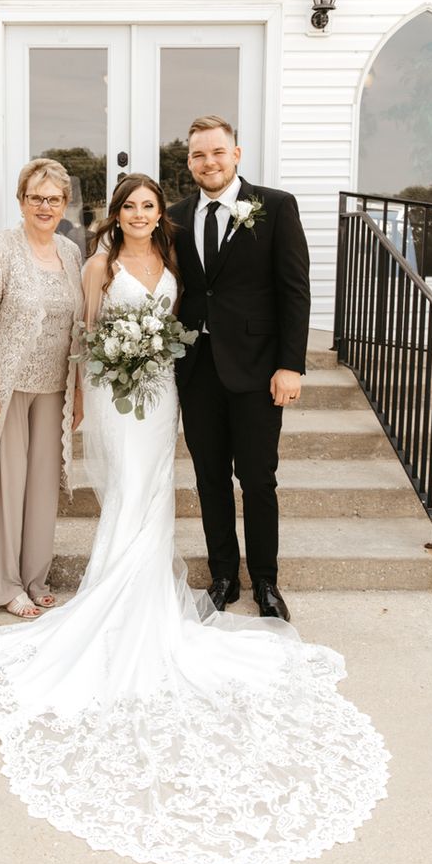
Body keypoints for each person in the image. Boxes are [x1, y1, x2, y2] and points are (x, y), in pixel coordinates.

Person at [0, 172, 389, 864]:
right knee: (128, 491)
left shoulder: (175, 260)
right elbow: (85, 333)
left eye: (148, 205)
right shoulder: (96, 263)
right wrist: (92, 386)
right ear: (114, 214)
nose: (137, 213)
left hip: (160, 396)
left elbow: (191, 318)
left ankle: (149, 591)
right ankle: (105, 593)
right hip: (114, 394)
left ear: (161, 213)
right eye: (127, 204)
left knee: (158, 492)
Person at [168, 115, 311, 622]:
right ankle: (223, 576)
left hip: (256, 369)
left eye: (217, 152)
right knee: (209, 478)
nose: (208, 162)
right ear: (189, 162)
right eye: (198, 155)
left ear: (237, 154)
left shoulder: (274, 206)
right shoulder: (176, 216)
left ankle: (266, 581)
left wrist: (290, 365)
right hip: (198, 369)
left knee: (257, 478)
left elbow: (294, 289)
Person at [0, 158, 84, 619]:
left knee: (42, 489)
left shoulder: (71, 253)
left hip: (54, 387)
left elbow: (77, 329)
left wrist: (76, 391)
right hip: (8, 388)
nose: (45, 206)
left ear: (65, 204)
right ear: (21, 201)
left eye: (54, 199)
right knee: (8, 487)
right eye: (37, 197)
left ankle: (35, 577)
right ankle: (6, 585)